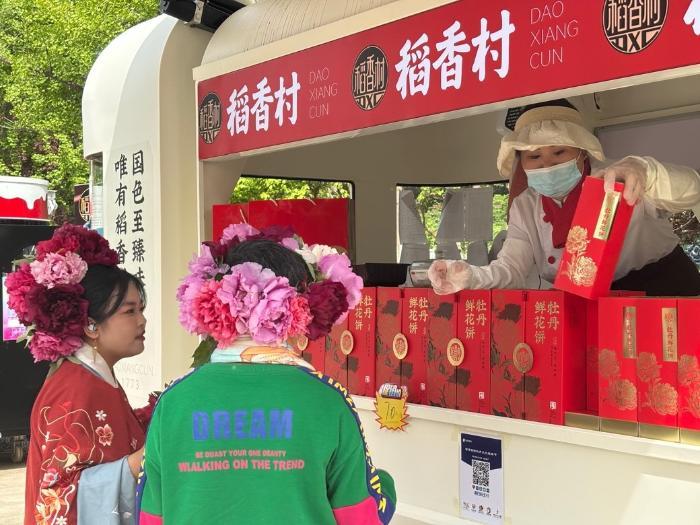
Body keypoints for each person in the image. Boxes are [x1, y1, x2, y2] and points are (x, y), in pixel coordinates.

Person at [137, 224, 396, 524]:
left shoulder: (173, 402)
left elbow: (150, 516)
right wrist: (386, 486)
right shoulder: (327, 400)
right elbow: (362, 517)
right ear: (299, 308)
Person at [429, 99, 700, 296]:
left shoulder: (622, 176)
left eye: (559, 153)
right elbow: (511, 268)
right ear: (521, 162)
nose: (547, 165)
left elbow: (693, 189)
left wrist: (647, 172)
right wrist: (471, 276)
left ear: (582, 151)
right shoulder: (526, 206)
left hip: (665, 288)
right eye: (534, 157)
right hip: (589, 302)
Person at [6, 224, 150, 524]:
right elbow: (58, 494)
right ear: (91, 325)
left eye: (141, 310)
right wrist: (143, 460)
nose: (142, 321)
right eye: (130, 311)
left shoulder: (90, 378)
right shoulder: (75, 388)